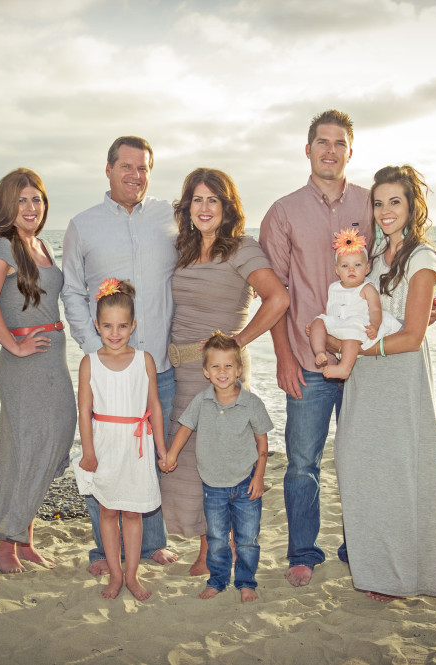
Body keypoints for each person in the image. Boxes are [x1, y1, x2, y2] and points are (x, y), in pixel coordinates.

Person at [259, 109, 373, 587]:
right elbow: (275, 293)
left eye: (339, 143)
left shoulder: (372, 206)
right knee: (302, 464)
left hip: (366, 362)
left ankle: (361, 548)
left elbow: (400, 267)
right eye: (322, 142)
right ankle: (304, 552)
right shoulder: (283, 212)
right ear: (307, 150)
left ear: (350, 150)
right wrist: (284, 357)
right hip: (307, 363)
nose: (330, 151)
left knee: (363, 458)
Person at [160, 168, 288, 576]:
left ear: (227, 206)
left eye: (213, 200)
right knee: (194, 460)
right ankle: (211, 543)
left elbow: (277, 299)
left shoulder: (241, 249)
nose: (204, 207)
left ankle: (213, 551)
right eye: (197, 199)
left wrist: (237, 341)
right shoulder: (183, 250)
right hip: (182, 372)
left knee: (221, 457)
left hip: (221, 374)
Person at [61, 136, 178, 575]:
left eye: (143, 168)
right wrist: (93, 349)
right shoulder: (83, 224)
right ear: (108, 169)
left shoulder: (170, 217)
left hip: (156, 365)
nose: (135, 175)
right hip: (106, 369)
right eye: (126, 166)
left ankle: (151, 545)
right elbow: (72, 289)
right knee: (103, 457)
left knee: (147, 456)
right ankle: (102, 552)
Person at [331, 165, 436, 601]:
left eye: (394, 201)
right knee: (361, 467)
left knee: (397, 472)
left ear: (412, 206)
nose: (384, 211)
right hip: (365, 379)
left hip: (398, 377)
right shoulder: (375, 259)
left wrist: (359, 351)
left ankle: (397, 578)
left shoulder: (422, 259)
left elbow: (413, 335)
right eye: (378, 203)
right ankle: (377, 569)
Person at [0, 168, 76, 574]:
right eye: (22, 200)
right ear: (7, 206)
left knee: (48, 443)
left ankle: (24, 538)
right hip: (27, 363)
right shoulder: (4, 248)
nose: (31, 207)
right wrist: (13, 344)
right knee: (27, 448)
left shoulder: (42, 245)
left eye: (37, 199)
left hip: (53, 359)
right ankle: (5, 548)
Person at [160, 332, 273, 603]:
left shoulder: (251, 403)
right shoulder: (201, 401)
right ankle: (218, 581)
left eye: (228, 366)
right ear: (206, 371)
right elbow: (185, 427)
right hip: (213, 485)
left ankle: (246, 583)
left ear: (239, 369)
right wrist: (171, 455)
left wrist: (259, 477)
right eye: (215, 366)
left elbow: (262, 443)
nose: (222, 372)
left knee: (246, 539)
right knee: (217, 538)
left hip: (246, 482)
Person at [73, 279, 166, 601]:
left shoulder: (145, 360)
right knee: (108, 513)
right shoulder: (90, 363)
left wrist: (163, 449)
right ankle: (114, 575)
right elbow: (84, 410)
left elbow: (154, 406)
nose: (115, 333)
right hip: (104, 445)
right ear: (97, 326)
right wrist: (88, 452)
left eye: (122, 326)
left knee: (133, 513)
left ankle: (132, 575)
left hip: (137, 446)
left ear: (133, 326)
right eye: (108, 326)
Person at [309, 228, 400, 380]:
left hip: (357, 325)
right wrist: (321, 323)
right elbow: (330, 307)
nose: (351, 269)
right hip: (338, 322)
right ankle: (319, 351)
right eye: (345, 266)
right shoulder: (334, 287)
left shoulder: (367, 288)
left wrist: (375, 326)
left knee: (350, 334)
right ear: (337, 270)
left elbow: (375, 310)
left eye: (357, 265)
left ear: (367, 268)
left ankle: (344, 368)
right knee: (317, 321)